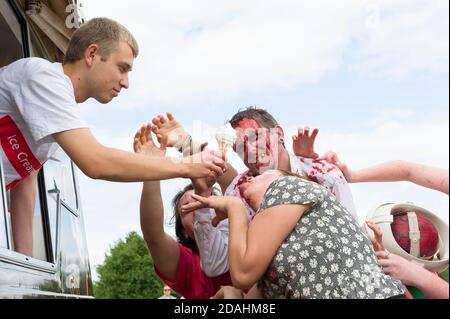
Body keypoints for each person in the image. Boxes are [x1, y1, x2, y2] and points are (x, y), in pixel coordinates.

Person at [0, 18, 225, 256]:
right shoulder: (44, 77)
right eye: (123, 68)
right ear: (92, 54)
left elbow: (25, 183)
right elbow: (96, 163)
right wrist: (187, 166)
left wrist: (24, 258)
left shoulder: (58, 109)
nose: (126, 83)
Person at [151, 108, 357, 277]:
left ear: (280, 134)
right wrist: (202, 195)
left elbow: (354, 239)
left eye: (256, 136)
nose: (250, 150)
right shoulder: (238, 193)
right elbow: (215, 264)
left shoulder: (323, 175)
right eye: (240, 146)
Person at [183, 170, 406, 299]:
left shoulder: (287, 185)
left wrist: (234, 209)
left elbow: (242, 275)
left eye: (259, 176)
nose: (248, 179)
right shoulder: (275, 250)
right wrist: (229, 294)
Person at [135, 124, 232, 299]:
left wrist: (187, 143)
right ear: (184, 232)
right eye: (188, 206)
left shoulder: (245, 234)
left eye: (206, 197)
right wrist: (152, 167)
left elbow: (234, 182)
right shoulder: (189, 264)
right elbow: (153, 235)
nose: (199, 203)